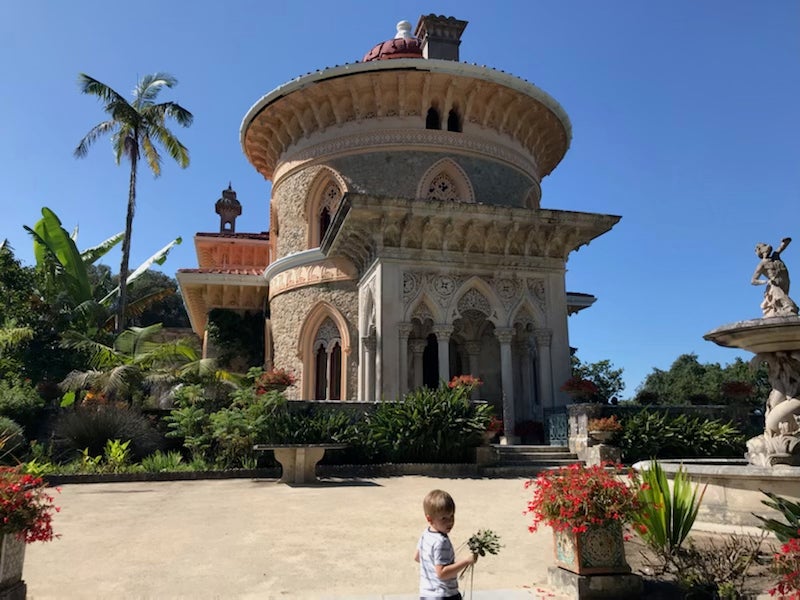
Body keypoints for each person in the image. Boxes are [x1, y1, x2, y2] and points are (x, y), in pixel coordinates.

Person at [413, 489, 476, 600]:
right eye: (444, 518)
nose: (450, 521)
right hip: (444, 594)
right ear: (429, 519)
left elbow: (418, 557)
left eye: (452, 516)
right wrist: (466, 561)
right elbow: (442, 573)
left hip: (426, 594)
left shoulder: (425, 534)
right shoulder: (441, 541)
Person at [751, 238, 799, 317]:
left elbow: (782, 247)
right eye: (764, 245)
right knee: (787, 303)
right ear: (760, 250)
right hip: (774, 284)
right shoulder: (762, 264)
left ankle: (782, 311)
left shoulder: (775, 256)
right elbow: (753, 280)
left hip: (785, 281)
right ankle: (791, 308)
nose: (768, 246)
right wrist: (766, 282)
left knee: (782, 302)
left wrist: (785, 242)